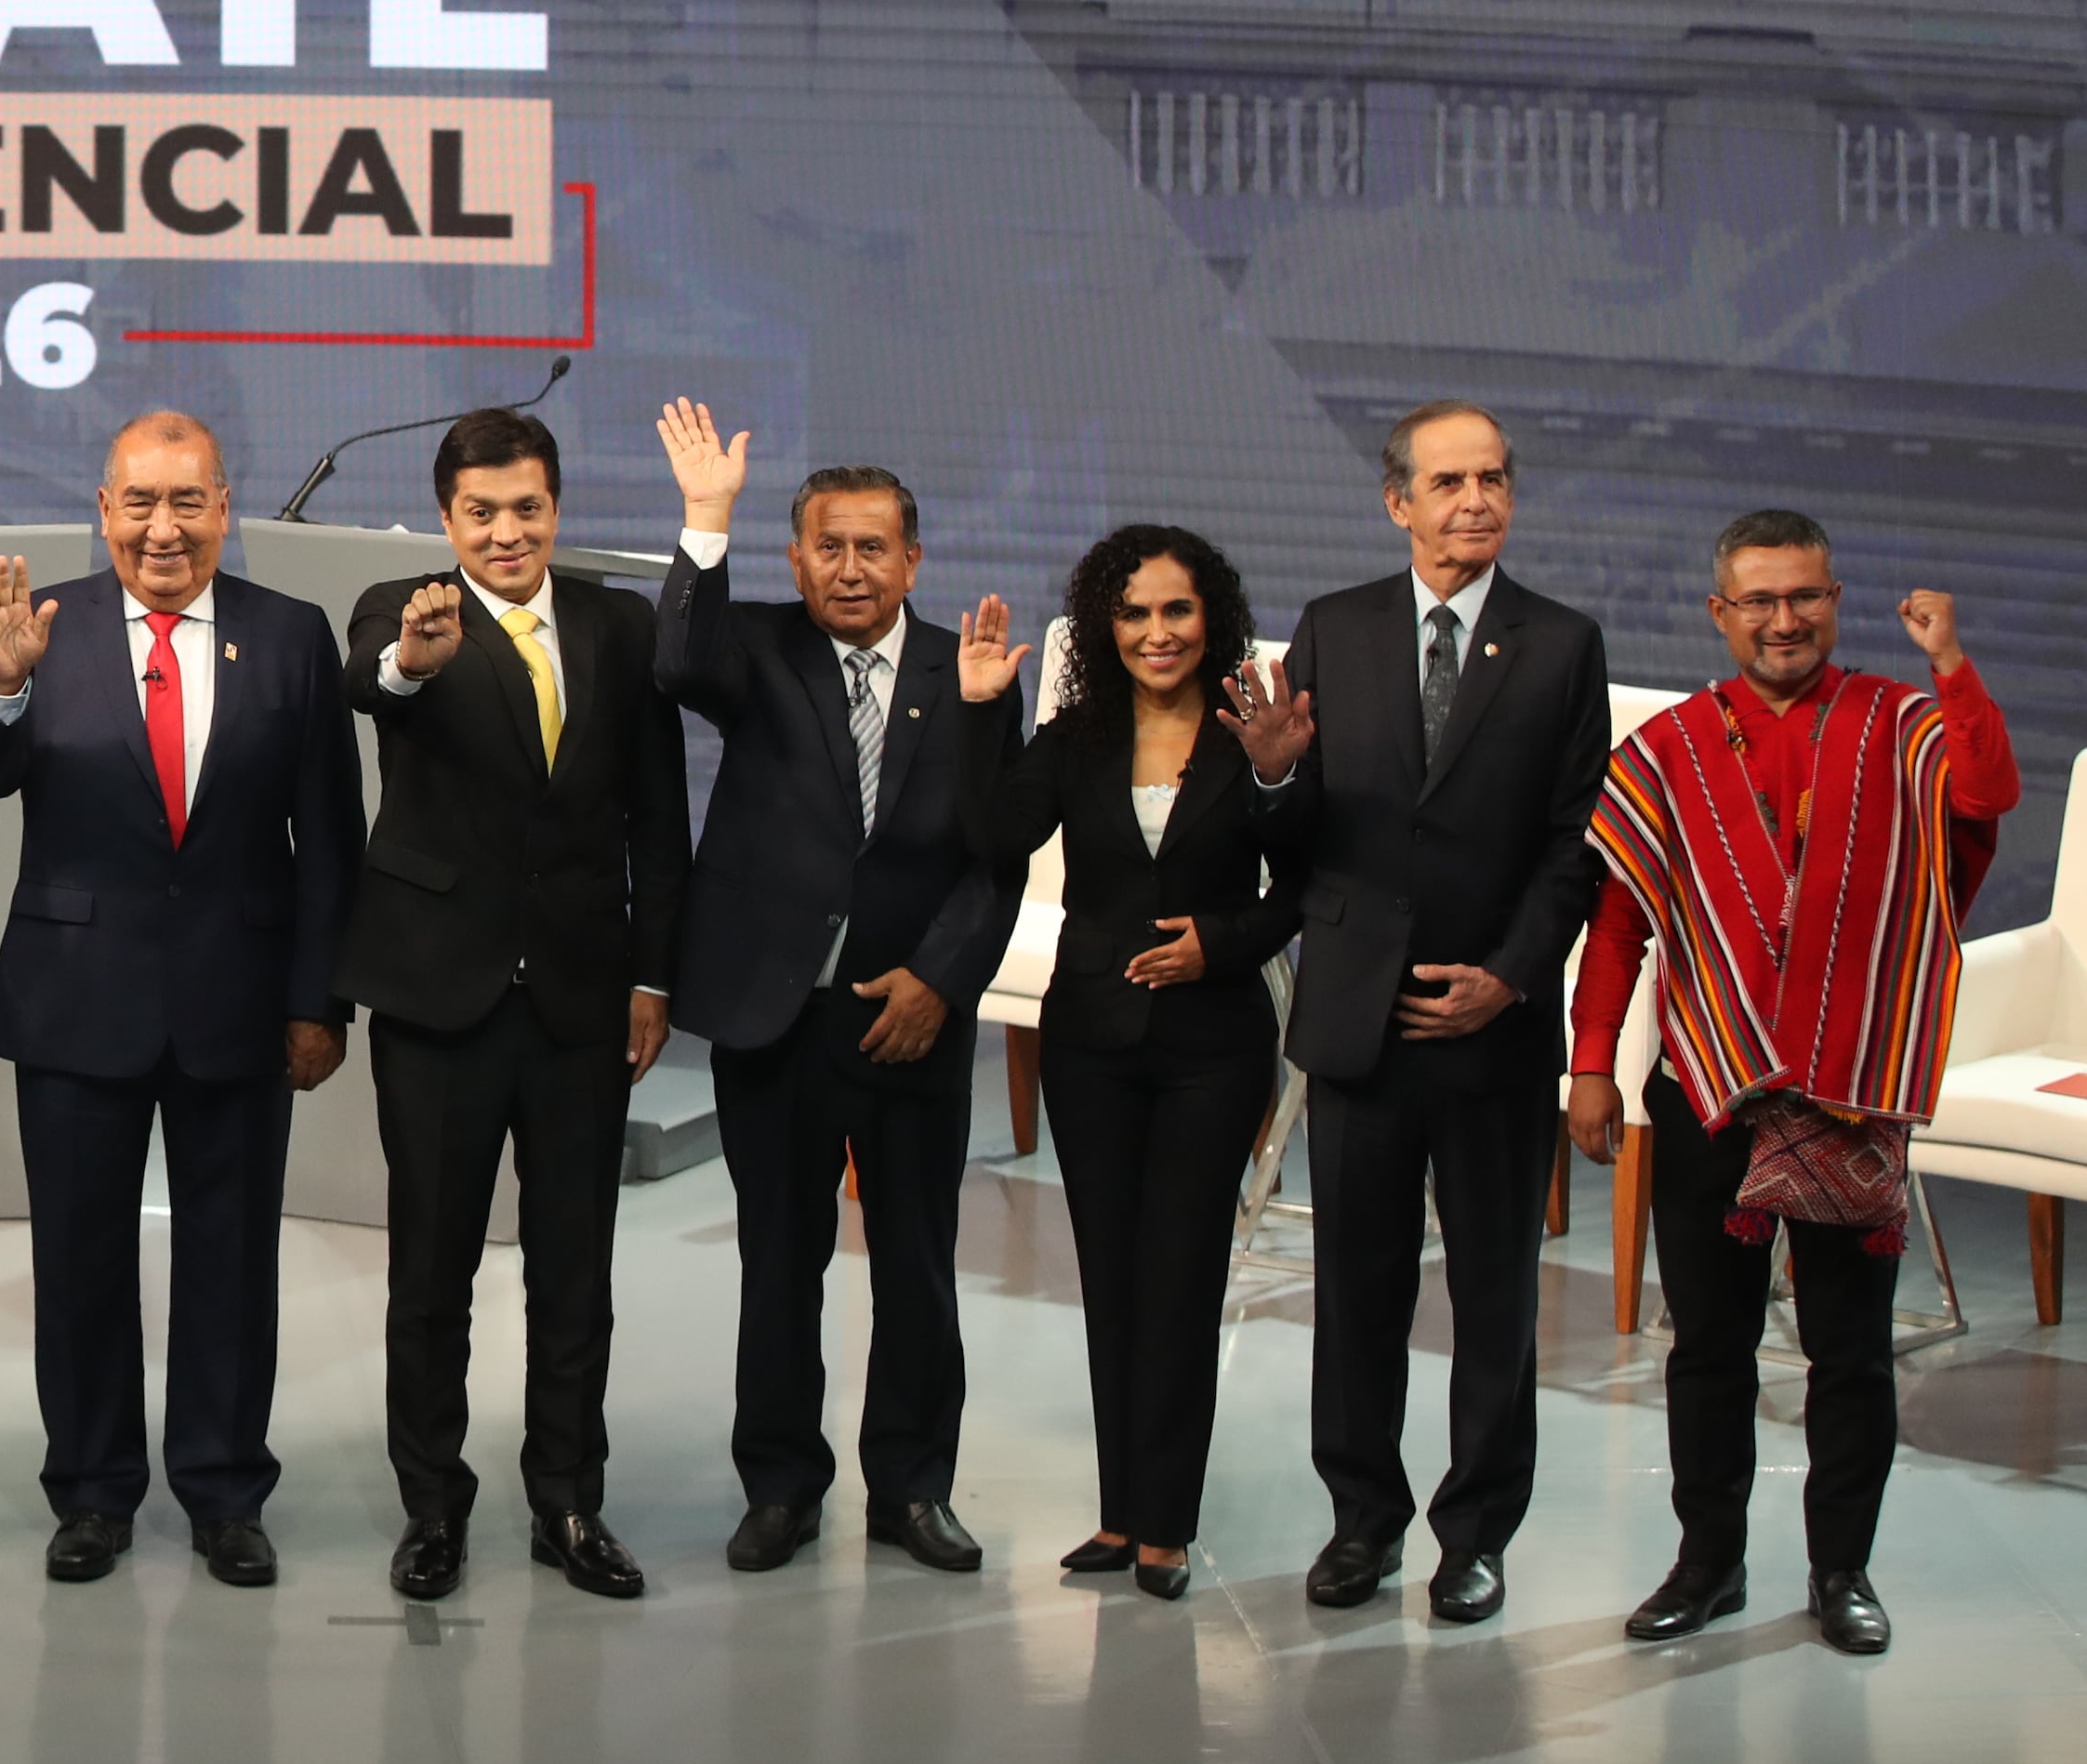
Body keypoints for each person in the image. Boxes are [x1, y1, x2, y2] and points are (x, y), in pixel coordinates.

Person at [1569, 518, 2019, 1658]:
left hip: (1848, 1090)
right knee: (1706, 1350)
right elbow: (1617, 927)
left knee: (1850, 1355)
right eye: (1758, 601)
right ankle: (1706, 1564)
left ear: (1833, 601)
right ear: (1719, 615)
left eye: (1804, 598)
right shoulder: (1664, 751)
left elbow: (1985, 798)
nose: (1783, 621)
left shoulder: (1903, 724)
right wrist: (1587, 1068)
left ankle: (1840, 1573)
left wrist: (1950, 666)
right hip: (1707, 1085)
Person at [0, 410, 363, 1588]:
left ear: (224, 509)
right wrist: (3, 690)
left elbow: (328, 836)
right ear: (102, 507)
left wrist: (318, 999)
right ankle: (89, 1493)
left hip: (240, 1001)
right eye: (139, 503)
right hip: (77, 1001)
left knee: (231, 1263)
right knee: (79, 1262)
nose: (161, 529)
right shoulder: (44, 628)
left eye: (186, 503)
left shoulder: (289, 637)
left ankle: (225, 1491)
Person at [651, 400, 1026, 1577]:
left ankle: (912, 1491)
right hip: (774, 1018)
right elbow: (674, 661)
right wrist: (702, 517)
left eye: (873, 547)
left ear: (912, 559)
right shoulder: (754, 649)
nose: (849, 568)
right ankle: (778, 1486)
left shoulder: (965, 670)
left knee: (915, 1268)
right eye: (827, 546)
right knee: (778, 1264)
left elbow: (995, 852)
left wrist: (938, 981)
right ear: (794, 556)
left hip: (906, 1018)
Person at [1252, 402, 1609, 1628]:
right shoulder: (1335, 629)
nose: (1476, 500)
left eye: (1495, 478)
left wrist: (1509, 976)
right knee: (1356, 1285)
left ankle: (1477, 1532)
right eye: (1449, 480)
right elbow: (1295, 844)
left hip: (1495, 1026)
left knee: (1498, 1287)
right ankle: (1362, 1519)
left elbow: (1577, 843)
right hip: (1361, 1015)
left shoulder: (1561, 644)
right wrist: (1271, 775)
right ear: (1396, 499)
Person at [336, 406, 689, 1605]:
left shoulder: (616, 624)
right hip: (440, 1001)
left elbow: (656, 820)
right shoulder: (401, 608)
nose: (503, 532)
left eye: (524, 509)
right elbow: (372, 687)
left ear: (554, 510)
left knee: (572, 1271)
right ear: (446, 519)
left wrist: (652, 975)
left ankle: (568, 1503)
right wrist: (414, 664)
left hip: (583, 1004)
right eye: (478, 513)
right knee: (430, 1275)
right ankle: (431, 1509)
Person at [951, 527, 1305, 1603]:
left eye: (1176, 612)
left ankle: (1166, 1525)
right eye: (1134, 614)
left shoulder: (1257, 734)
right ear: (1105, 628)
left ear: (1213, 621)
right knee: (1109, 1277)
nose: (1156, 634)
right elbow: (988, 837)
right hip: (1091, 1043)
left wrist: (1220, 940)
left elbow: (1301, 888)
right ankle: (1119, 1513)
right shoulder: (1074, 737)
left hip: (1212, 1046)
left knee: (1179, 1277)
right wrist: (980, 711)